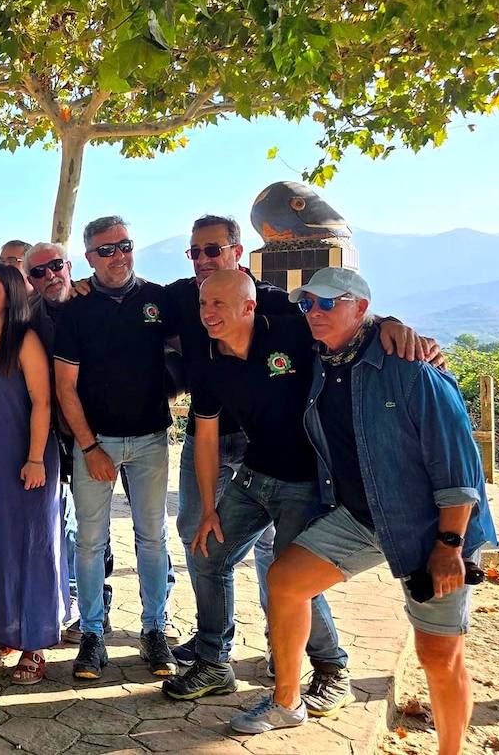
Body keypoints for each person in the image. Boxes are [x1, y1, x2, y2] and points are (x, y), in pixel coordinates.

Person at [231, 268, 497, 755]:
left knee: (439, 654)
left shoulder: (414, 369)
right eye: (307, 303)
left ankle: (451, 750)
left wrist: (450, 547)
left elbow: (461, 471)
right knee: (286, 580)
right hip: (360, 514)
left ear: (360, 308)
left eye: (328, 304)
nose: (314, 313)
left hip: (429, 526)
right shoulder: (320, 359)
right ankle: (287, 701)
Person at [161, 270, 351, 712]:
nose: (207, 314)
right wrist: (209, 508)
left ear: (248, 307)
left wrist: (394, 328)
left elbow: (349, 328)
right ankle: (213, 663)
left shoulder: (290, 332)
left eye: (218, 305)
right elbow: (205, 436)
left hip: (304, 481)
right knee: (208, 551)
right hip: (254, 475)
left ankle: (330, 667)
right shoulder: (207, 358)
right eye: (203, 305)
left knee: (292, 577)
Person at [54, 215, 177, 680]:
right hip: (96, 443)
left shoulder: (157, 299)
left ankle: (154, 630)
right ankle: (92, 634)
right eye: (106, 250)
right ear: (89, 258)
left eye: (124, 245)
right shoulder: (76, 309)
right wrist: (89, 448)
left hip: (150, 440)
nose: (118, 256)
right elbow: (66, 388)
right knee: (89, 541)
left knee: (152, 538)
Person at [0, 264, 69, 685]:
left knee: (29, 549)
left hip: (26, 460)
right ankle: (7, 627)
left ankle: (34, 646)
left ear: (11, 299)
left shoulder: (25, 340)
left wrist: (36, 459)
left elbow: (42, 402)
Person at [25, 241, 118, 641]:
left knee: (133, 530)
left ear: (70, 265)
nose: (49, 277)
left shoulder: (95, 300)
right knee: (77, 524)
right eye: (38, 273)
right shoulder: (28, 317)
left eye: (55, 267)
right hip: (62, 435)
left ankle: (115, 608)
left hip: (113, 428)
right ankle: (83, 605)